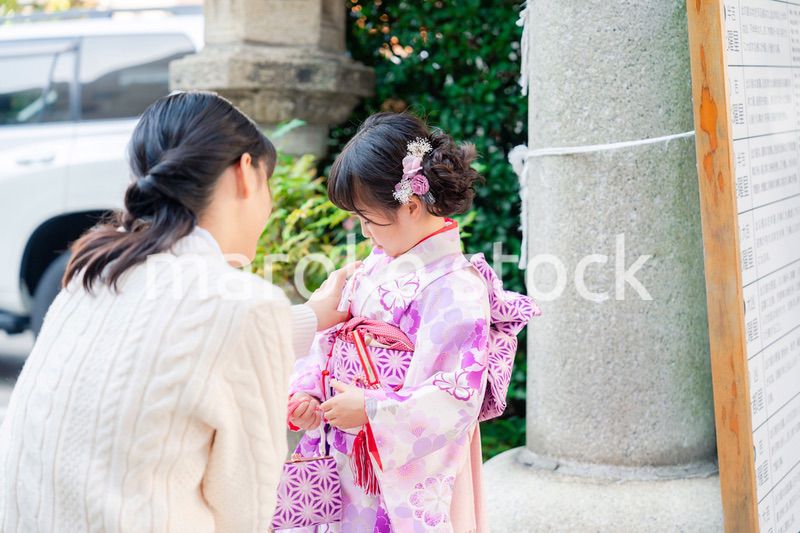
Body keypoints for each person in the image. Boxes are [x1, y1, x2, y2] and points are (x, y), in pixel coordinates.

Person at [0, 91, 356, 533]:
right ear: (246, 173)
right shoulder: (241, 306)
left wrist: (312, 316)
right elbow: (245, 514)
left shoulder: (95, 273)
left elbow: (179, 344)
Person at [282, 112, 538, 532]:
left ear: (412, 206)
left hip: (398, 458)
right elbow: (331, 340)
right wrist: (308, 390)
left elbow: (456, 396)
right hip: (348, 443)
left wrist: (373, 409)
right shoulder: (374, 266)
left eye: (367, 219)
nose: (365, 233)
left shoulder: (457, 287)